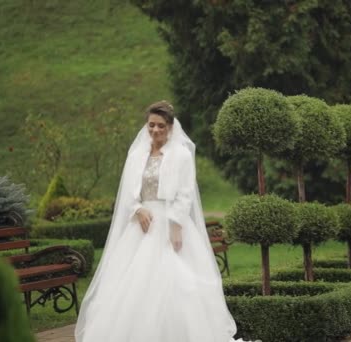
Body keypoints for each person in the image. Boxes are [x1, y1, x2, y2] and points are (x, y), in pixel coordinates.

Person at [75, 101, 245, 342]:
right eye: (151, 125)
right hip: (142, 227)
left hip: (170, 223)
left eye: (161, 126)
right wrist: (137, 209)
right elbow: (126, 193)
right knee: (132, 284)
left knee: (178, 281)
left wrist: (176, 225)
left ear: (171, 127)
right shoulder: (136, 156)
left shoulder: (182, 155)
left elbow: (185, 193)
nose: (155, 131)